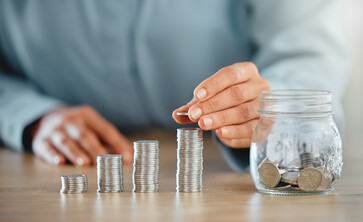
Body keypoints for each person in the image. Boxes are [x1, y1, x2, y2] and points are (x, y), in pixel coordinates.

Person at [0, 0, 348, 171]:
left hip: (223, 171)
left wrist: (271, 108)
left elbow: (309, 53)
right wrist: (29, 115)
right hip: (53, 166)